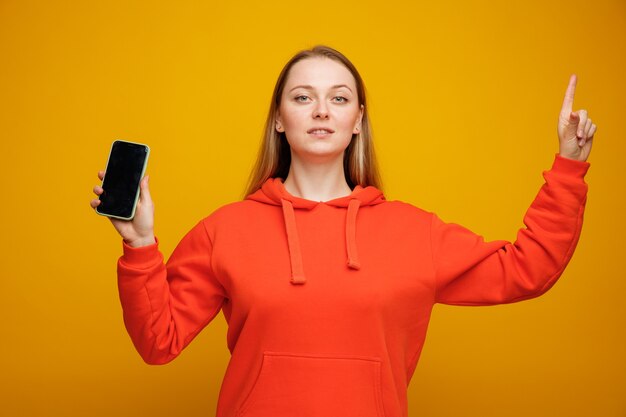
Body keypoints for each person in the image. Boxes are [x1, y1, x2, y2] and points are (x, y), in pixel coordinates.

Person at [91, 45, 597, 417]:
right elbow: (159, 341)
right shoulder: (226, 229)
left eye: (338, 98)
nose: (320, 110)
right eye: (302, 96)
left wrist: (569, 168)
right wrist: (138, 245)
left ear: (357, 121)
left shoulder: (412, 232)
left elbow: (527, 269)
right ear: (279, 121)